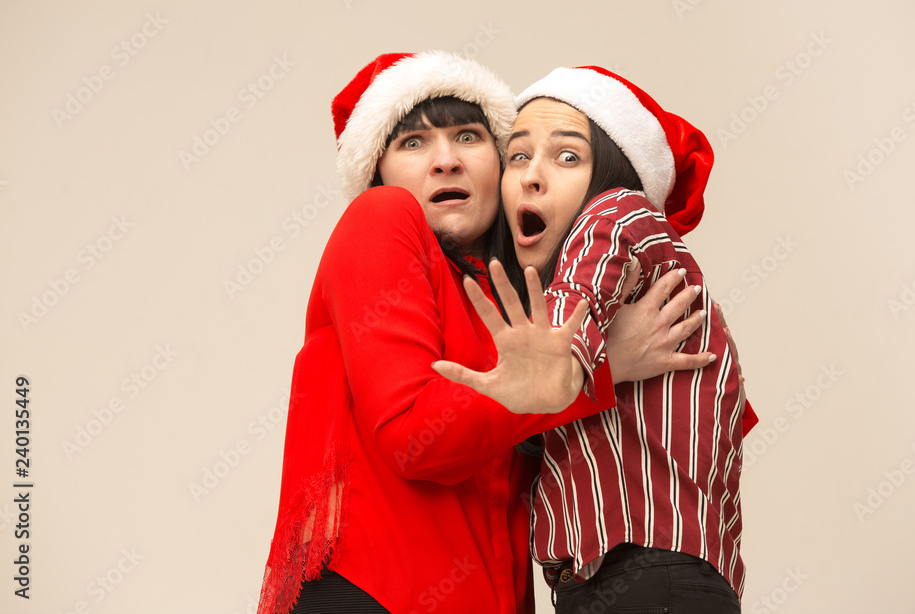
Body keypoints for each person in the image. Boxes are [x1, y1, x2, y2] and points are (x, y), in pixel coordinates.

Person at [256, 53, 717, 614]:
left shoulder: (515, 298)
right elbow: (412, 436)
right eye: (412, 143)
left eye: (468, 136)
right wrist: (595, 368)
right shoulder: (381, 217)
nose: (446, 161)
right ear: (377, 170)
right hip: (371, 596)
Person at [434, 66, 755, 613]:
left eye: (567, 157)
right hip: (629, 584)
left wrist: (553, 357)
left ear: (611, 176)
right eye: (517, 156)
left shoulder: (617, 215)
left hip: (647, 575)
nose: (532, 177)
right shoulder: (603, 307)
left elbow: (588, 280)